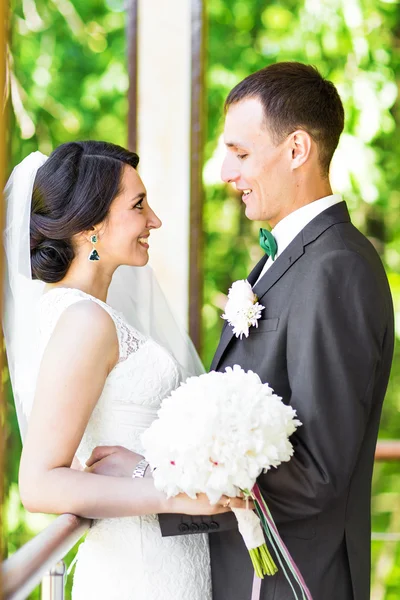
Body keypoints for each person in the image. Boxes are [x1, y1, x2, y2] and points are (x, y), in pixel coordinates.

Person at [90, 63, 394, 600]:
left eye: (242, 152)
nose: (227, 171)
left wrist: (152, 473)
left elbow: (318, 473)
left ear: (297, 149)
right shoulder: (288, 261)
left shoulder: (335, 266)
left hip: (291, 580)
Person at [3, 141, 250, 600]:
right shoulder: (84, 322)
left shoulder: (92, 313)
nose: (154, 220)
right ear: (91, 224)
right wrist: (171, 493)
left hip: (166, 557)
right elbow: (38, 484)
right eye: (139, 206)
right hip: (138, 570)